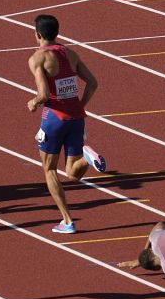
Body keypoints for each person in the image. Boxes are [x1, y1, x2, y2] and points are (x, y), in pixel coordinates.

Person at [27, 14, 106, 234]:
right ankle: (88, 158)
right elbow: (93, 82)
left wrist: (33, 103)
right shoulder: (70, 53)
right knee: (72, 172)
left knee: (49, 169)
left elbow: (43, 94)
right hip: (76, 118)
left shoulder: (38, 58)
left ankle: (67, 221)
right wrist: (80, 105)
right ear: (57, 33)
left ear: (38, 35)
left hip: (54, 118)